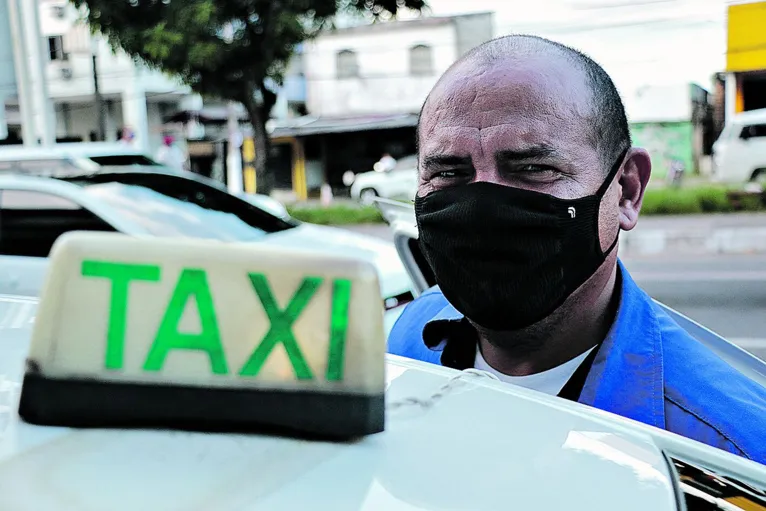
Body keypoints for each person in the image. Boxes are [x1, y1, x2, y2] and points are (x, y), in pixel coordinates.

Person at [388, 35, 766, 465]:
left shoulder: (734, 456)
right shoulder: (413, 333)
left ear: (626, 190)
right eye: (448, 172)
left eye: (534, 169)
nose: (482, 208)